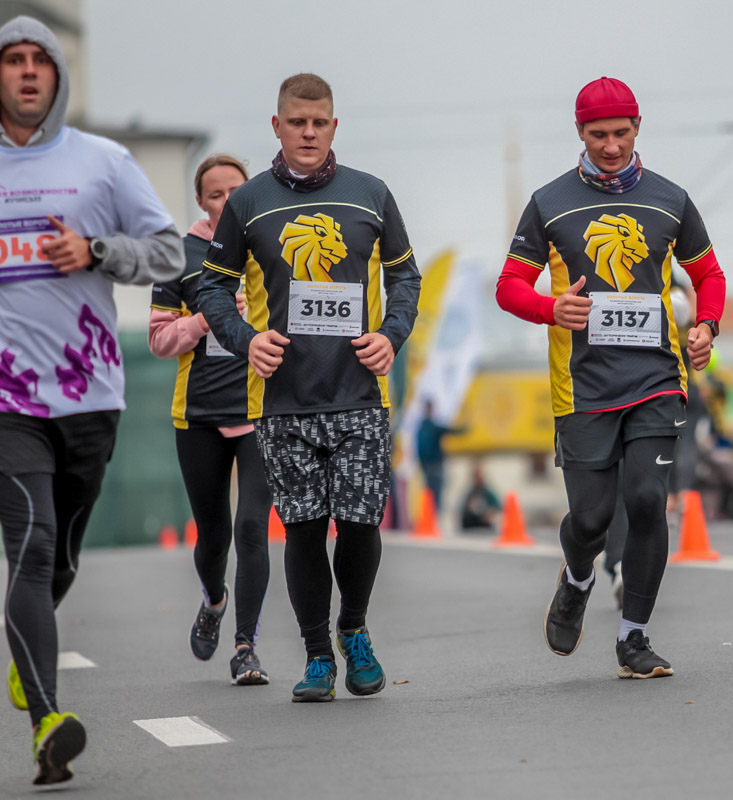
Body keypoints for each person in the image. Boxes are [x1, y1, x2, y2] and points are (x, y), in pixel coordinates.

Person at [0, 16, 184, 784]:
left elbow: (173, 252)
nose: (29, 72)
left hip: (89, 393)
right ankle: (49, 719)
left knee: (62, 551)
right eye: (13, 60)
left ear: (57, 76)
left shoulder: (103, 163)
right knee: (33, 545)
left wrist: (98, 251)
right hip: (7, 402)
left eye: (41, 59)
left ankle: (24, 645)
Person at [197, 73, 421, 703]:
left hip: (360, 394)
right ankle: (318, 654)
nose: (308, 133)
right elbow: (211, 287)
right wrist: (247, 339)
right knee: (302, 528)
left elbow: (407, 280)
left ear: (334, 126)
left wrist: (391, 335)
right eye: (297, 122)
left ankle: (353, 629)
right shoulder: (250, 203)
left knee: (358, 525)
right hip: (285, 400)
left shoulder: (371, 194)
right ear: (277, 126)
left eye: (319, 122)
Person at [495, 76, 725, 678]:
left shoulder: (670, 199)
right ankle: (576, 577)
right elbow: (509, 286)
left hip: (655, 378)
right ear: (579, 133)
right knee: (592, 519)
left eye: (621, 133)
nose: (612, 146)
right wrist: (552, 308)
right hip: (583, 387)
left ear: (637, 128)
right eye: (598, 135)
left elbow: (711, 277)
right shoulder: (550, 202)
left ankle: (634, 637)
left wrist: (706, 326)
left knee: (647, 501)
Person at [148, 155, 272, 685]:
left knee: (252, 529)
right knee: (215, 535)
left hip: (259, 409)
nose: (225, 202)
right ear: (201, 201)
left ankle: (246, 647)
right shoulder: (179, 255)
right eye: (215, 194)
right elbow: (157, 339)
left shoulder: (268, 245)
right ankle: (215, 601)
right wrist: (203, 319)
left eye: (234, 192)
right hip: (197, 411)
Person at [459, 462, 501, 531]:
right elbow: (463, 511)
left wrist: (491, 513)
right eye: (476, 476)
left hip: (484, 524)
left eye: (479, 476)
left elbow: (497, 507)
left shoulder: (488, 493)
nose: (477, 479)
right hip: (471, 525)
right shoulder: (469, 494)